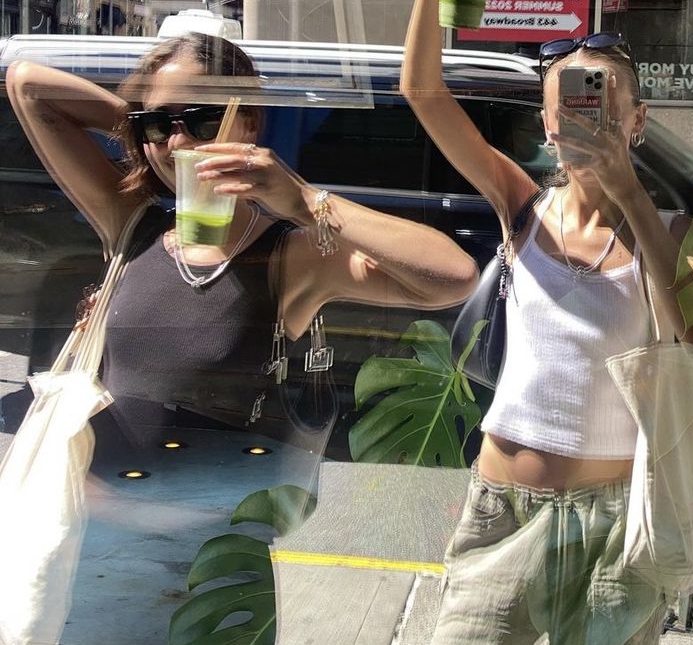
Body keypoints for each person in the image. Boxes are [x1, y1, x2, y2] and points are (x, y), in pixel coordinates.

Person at [401, 0, 693, 645]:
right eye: (573, 105)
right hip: (500, 513)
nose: (590, 118)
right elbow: (422, 90)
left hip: (615, 532)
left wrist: (630, 198)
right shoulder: (522, 206)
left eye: (607, 105)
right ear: (547, 121)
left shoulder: (678, 230)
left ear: (638, 121)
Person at [6, 31, 479, 444]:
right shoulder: (133, 224)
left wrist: (304, 199)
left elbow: (453, 278)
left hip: (217, 534)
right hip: (110, 533)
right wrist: (146, 133)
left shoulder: (291, 255)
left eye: (204, 119)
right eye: (158, 124)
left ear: (250, 122)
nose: (180, 142)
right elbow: (27, 84)